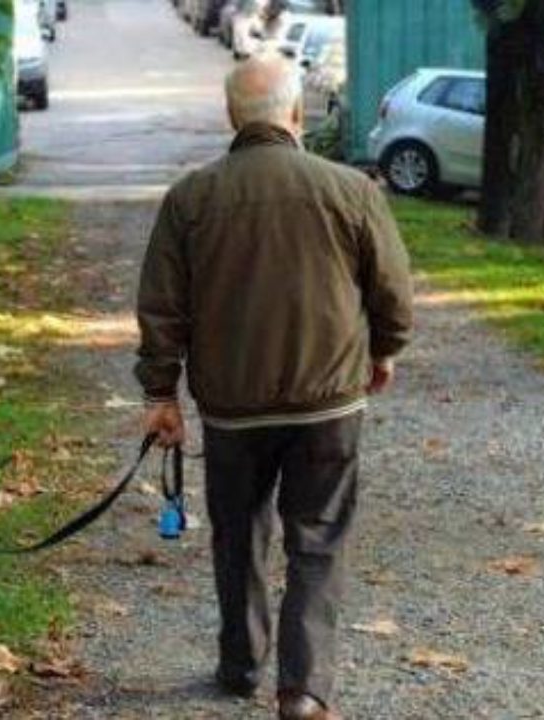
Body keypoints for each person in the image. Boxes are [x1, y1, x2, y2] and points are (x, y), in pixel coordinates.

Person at [134, 54, 414, 720]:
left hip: (232, 411)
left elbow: (161, 306)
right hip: (330, 404)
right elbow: (393, 295)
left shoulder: (191, 199)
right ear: (296, 116)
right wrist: (385, 350)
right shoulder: (351, 190)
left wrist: (161, 394)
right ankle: (305, 691)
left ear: (233, 118)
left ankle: (240, 664)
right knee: (317, 538)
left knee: (238, 535)